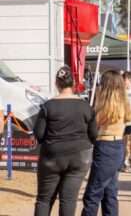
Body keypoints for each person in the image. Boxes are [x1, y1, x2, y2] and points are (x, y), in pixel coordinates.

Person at [33, 67, 97, 216]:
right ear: (73, 84)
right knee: (68, 200)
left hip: (51, 157)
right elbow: (94, 135)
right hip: (79, 157)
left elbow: (39, 134)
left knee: (44, 199)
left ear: (56, 83)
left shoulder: (48, 106)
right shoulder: (85, 106)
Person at [82, 70, 131, 216]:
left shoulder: (106, 105)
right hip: (117, 147)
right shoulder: (123, 102)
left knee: (93, 193)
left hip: (105, 147)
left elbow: (94, 124)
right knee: (110, 193)